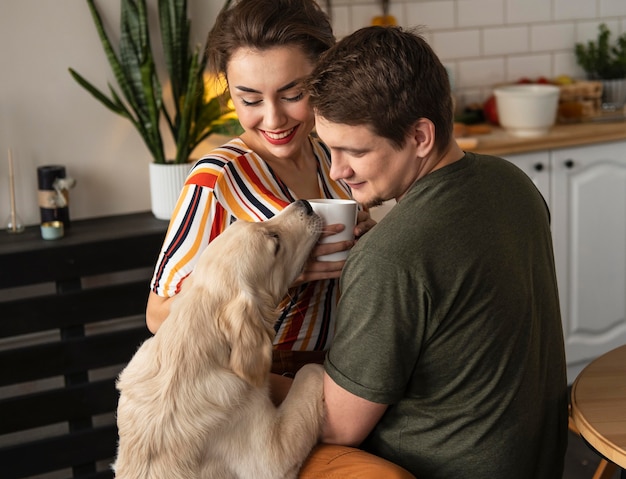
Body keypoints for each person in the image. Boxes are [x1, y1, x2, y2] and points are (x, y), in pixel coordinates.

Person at [298, 26, 569, 478]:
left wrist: (238, 381)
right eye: (328, 149)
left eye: (353, 150)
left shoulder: (391, 258)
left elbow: (336, 427)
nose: (337, 170)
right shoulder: (513, 183)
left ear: (420, 136)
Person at [146, 0, 374, 377]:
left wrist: (367, 239)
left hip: (341, 367)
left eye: (292, 95)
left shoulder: (327, 156)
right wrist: (278, 275)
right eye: (249, 99)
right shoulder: (217, 180)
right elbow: (157, 317)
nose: (273, 118)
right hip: (264, 381)